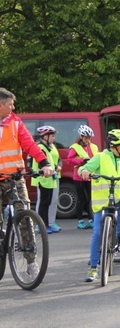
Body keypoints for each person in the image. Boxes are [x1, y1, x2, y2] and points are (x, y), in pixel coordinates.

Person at [0, 88, 55, 279]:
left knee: (26, 218)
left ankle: (31, 262)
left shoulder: (15, 122)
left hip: (15, 177)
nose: (13, 107)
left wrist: (44, 163)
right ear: (0, 105)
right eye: (10, 104)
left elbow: (29, 144)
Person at [79, 129, 120, 282]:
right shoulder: (100, 157)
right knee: (98, 233)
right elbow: (83, 168)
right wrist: (85, 171)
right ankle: (93, 267)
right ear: (115, 146)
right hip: (102, 203)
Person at [31, 126, 62, 233]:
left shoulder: (50, 146)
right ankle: (41, 225)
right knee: (43, 203)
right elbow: (41, 163)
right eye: (52, 136)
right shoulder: (40, 147)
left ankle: (47, 224)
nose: (54, 138)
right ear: (45, 137)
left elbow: (57, 159)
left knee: (48, 202)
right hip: (43, 179)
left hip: (50, 179)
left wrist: (57, 166)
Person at [69, 124, 98, 229]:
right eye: (86, 138)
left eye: (89, 138)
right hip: (79, 176)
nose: (88, 140)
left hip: (90, 175)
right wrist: (81, 160)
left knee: (90, 198)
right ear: (81, 137)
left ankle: (91, 219)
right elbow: (69, 160)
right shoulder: (75, 147)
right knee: (81, 198)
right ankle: (80, 220)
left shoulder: (94, 146)